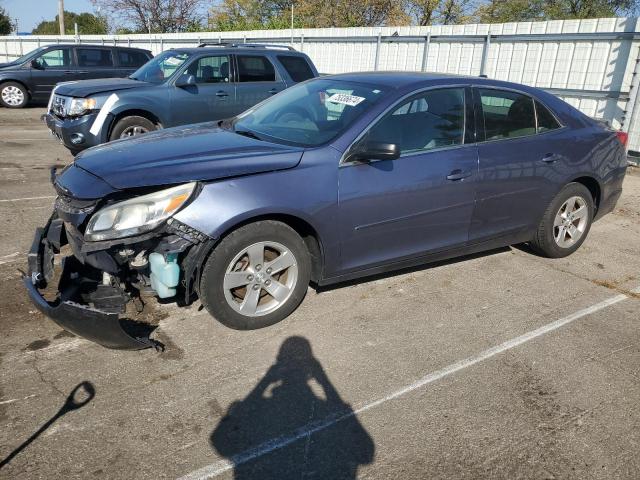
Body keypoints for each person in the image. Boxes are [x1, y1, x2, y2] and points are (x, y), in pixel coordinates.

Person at [211, 336, 375, 479]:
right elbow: (365, 451)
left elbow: (219, 439)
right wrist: (324, 380)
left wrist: (265, 382)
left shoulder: (266, 408)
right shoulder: (320, 407)